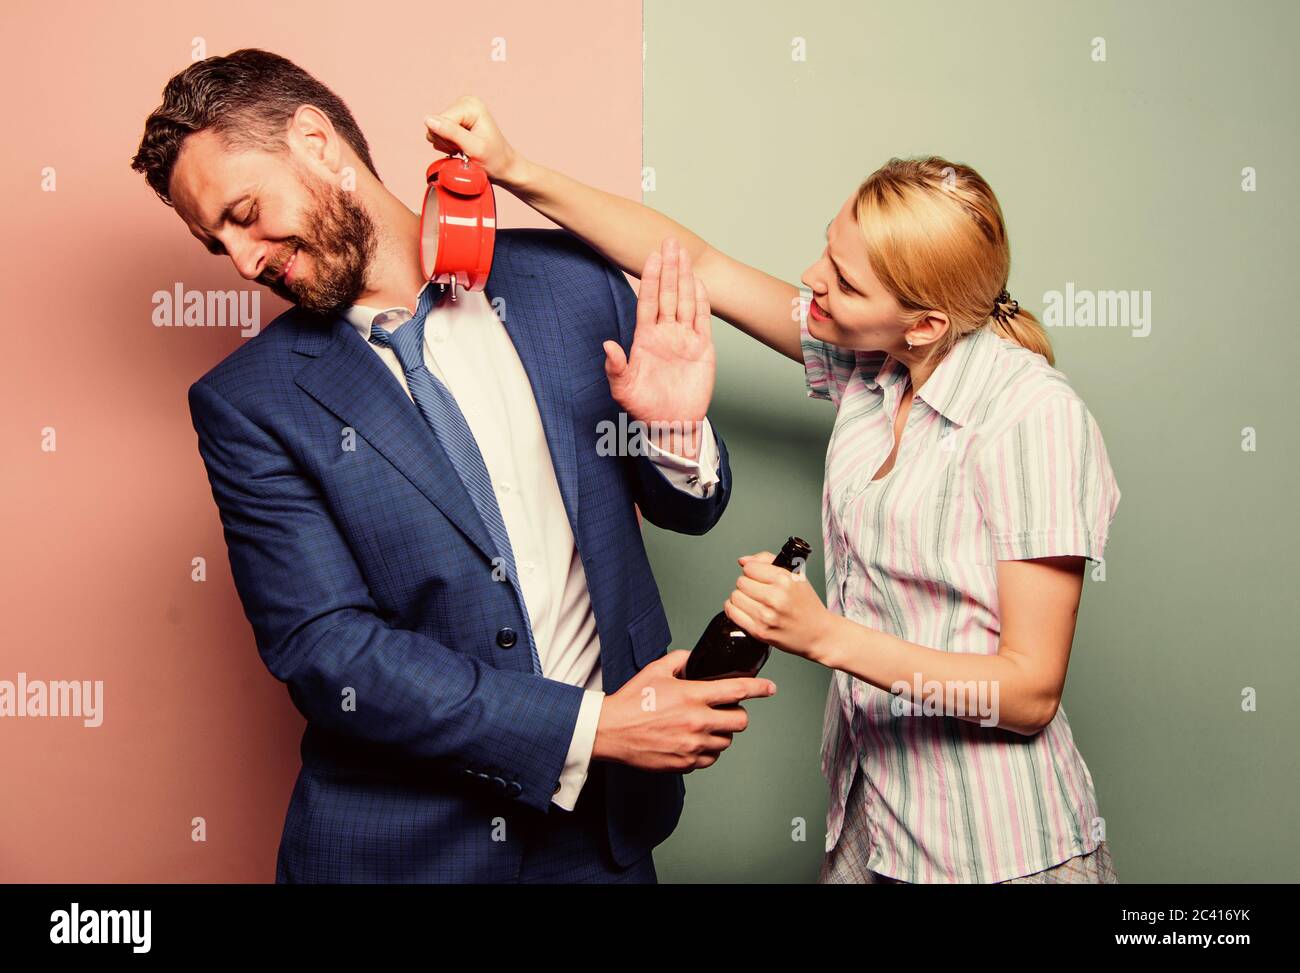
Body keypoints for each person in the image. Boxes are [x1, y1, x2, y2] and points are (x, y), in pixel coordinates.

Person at [426, 96, 1124, 884]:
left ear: (925, 322)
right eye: (828, 250)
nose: (811, 280)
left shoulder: (1033, 416)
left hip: (999, 851)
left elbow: (1029, 690)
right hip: (875, 829)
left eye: (844, 283)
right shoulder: (875, 367)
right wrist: (517, 170)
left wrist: (822, 633)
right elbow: (700, 266)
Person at [129, 49, 777, 883]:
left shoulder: (572, 284)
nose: (246, 260)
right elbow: (328, 649)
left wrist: (675, 432)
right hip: (403, 852)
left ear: (319, 142)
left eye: (245, 213)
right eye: (217, 243)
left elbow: (688, 508)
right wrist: (595, 728)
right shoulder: (249, 403)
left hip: (607, 837)